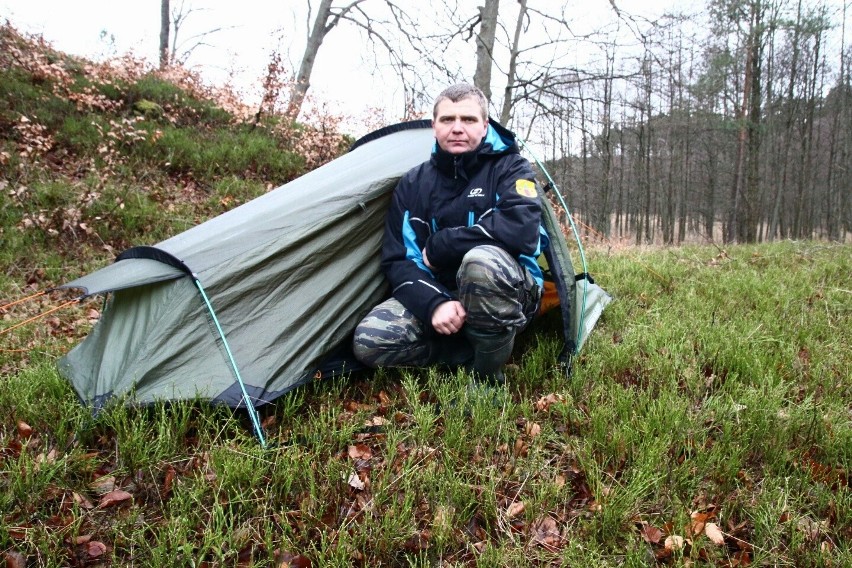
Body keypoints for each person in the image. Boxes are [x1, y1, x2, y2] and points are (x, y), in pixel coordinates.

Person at [352, 83, 544, 384]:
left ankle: (486, 377)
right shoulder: (413, 183)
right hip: (442, 291)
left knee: (481, 262)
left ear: (484, 125)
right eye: (447, 120)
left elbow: (522, 231)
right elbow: (398, 260)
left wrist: (443, 245)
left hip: (510, 290)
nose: (457, 128)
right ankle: (468, 351)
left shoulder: (511, 168)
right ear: (434, 126)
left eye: (467, 120)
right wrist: (435, 303)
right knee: (370, 340)